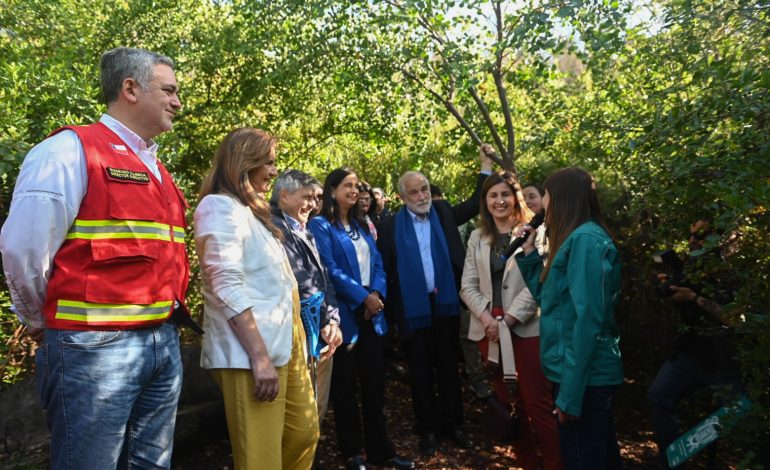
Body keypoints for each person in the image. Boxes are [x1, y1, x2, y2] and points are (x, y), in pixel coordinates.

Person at [0, 47, 190, 469]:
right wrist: (38, 318)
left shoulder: (158, 170)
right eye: (170, 90)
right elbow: (23, 249)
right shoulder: (67, 152)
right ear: (130, 89)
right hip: (93, 350)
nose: (178, 102)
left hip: (161, 342)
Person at [195, 128, 319, 469]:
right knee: (261, 459)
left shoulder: (253, 212)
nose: (275, 171)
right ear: (243, 162)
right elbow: (227, 286)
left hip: (286, 342)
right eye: (269, 162)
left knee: (304, 434)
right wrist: (259, 356)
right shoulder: (218, 207)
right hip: (251, 353)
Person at [377, 144, 494, 456]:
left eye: (424, 189)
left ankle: (454, 424)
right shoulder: (390, 226)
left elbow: (474, 204)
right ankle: (427, 429)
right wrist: (390, 314)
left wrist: (485, 167)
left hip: (444, 305)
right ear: (403, 198)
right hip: (412, 311)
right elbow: (385, 268)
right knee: (420, 371)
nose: (421, 196)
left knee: (447, 367)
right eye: (413, 193)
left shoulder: (441, 213)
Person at [516, 166, 624, 470]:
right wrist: (528, 257)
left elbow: (587, 321)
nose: (542, 204)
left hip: (585, 379)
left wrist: (571, 395)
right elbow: (554, 305)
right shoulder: (573, 239)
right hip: (573, 374)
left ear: (561, 198)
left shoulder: (587, 241)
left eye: (545, 195)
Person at [309, 168, 414, 470]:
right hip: (345, 318)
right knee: (345, 387)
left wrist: (377, 295)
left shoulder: (361, 225)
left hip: (373, 314)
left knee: (374, 386)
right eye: (347, 185)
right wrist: (362, 297)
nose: (354, 191)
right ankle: (352, 452)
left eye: (356, 186)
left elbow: (378, 262)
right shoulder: (321, 225)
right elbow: (329, 269)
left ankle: (382, 451)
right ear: (332, 190)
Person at [460, 171, 563, 470]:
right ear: (485, 201)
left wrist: (510, 319)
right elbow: (467, 284)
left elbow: (540, 282)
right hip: (488, 334)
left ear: (516, 198)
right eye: (492, 195)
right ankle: (528, 464)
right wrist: (487, 318)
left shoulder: (536, 233)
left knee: (538, 406)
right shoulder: (478, 237)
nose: (499, 200)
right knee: (510, 407)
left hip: (526, 332)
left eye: (505, 194)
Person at [647, 219, 744, 469]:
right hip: (690, 356)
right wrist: (674, 293)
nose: (692, 242)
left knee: (744, 425)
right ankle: (671, 460)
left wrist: (695, 297)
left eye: (699, 236)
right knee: (658, 396)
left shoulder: (737, 271)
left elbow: (735, 318)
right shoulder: (694, 269)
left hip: (727, 366)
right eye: (691, 235)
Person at [269, 169, 344, 424]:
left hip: (321, 332)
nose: (313, 204)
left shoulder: (304, 228)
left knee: (316, 412)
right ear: (284, 195)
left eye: (316, 198)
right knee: (301, 418)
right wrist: (324, 323)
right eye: (307, 197)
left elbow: (323, 280)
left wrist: (334, 320)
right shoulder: (275, 229)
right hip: (301, 334)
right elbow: (301, 284)